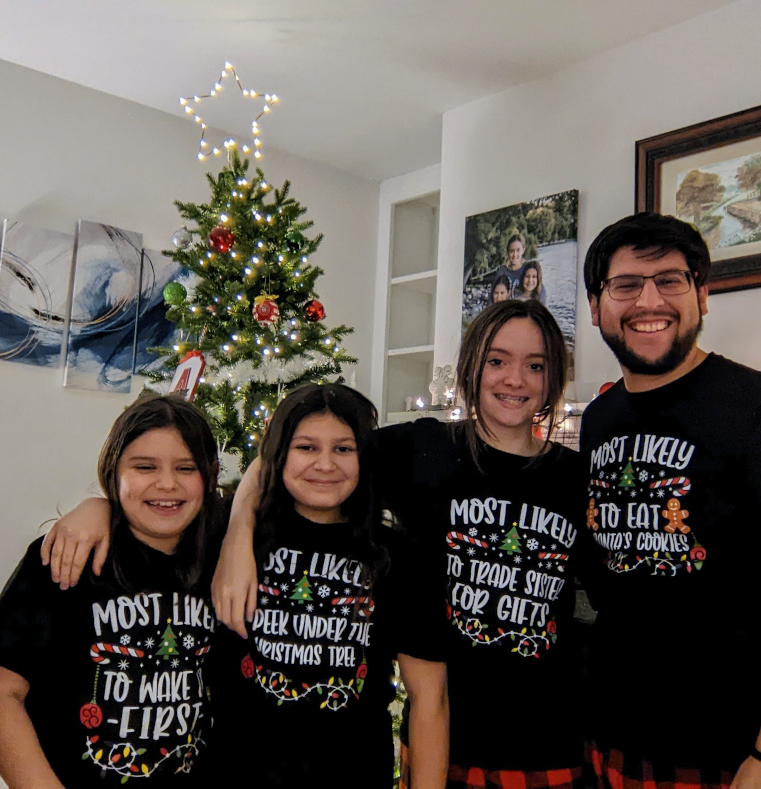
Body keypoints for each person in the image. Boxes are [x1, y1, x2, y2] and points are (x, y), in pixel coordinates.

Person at [216, 300, 593, 788]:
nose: (514, 379)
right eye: (497, 360)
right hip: (444, 740)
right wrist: (238, 531)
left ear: (554, 376)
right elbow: (292, 450)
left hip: (544, 738)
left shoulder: (576, 478)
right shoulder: (422, 448)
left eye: (535, 365)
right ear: (471, 366)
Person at [38, 386, 449, 788]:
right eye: (306, 447)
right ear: (278, 455)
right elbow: (156, 510)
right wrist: (98, 506)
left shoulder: (396, 555)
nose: (325, 464)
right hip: (235, 773)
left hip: (353, 772)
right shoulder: (219, 537)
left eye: (344, 448)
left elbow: (430, 699)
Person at [579, 212, 761, 788]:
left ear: (703, 295)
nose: (648, 300)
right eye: (626, 285)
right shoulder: (600, 418)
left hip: (734, 751)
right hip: (612, 733)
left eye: (670, 280)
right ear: (597, 306)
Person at [0, 395, 224, 787]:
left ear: (209, 475)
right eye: (144, 467)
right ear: (112, 471)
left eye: (186, 468)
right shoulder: (65, 557)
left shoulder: (223, 560)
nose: (167, 483)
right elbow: (0, 695)